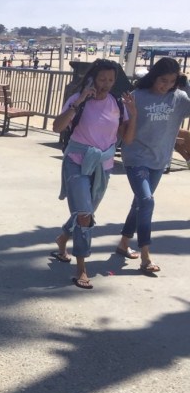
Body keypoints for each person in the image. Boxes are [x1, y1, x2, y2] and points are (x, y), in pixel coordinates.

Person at [52, 59, 133, 290]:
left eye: (110, 79)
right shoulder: (77, 101)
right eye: (102, 79)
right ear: (91, 79)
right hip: (76, 161)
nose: (106, 84)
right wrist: (79, 101)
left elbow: (125, 139)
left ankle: (62, 238)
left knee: (84, 212)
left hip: (103, 165)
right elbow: (57, 128)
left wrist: (134, 115)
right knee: (86, 214)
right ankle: (81, 268)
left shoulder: (118, 103)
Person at [115, 57, 190, 275]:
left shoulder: (180, 98)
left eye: (172, 81)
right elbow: (124, 127)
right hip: (136, 157)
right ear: (154, 77)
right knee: (146, 201)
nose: (166, 85)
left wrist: (185, 85)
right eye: (162, 80)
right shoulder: (137, 96)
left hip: (159, 160)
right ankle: (145, 256)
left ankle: (123, 243)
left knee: (140, 203)